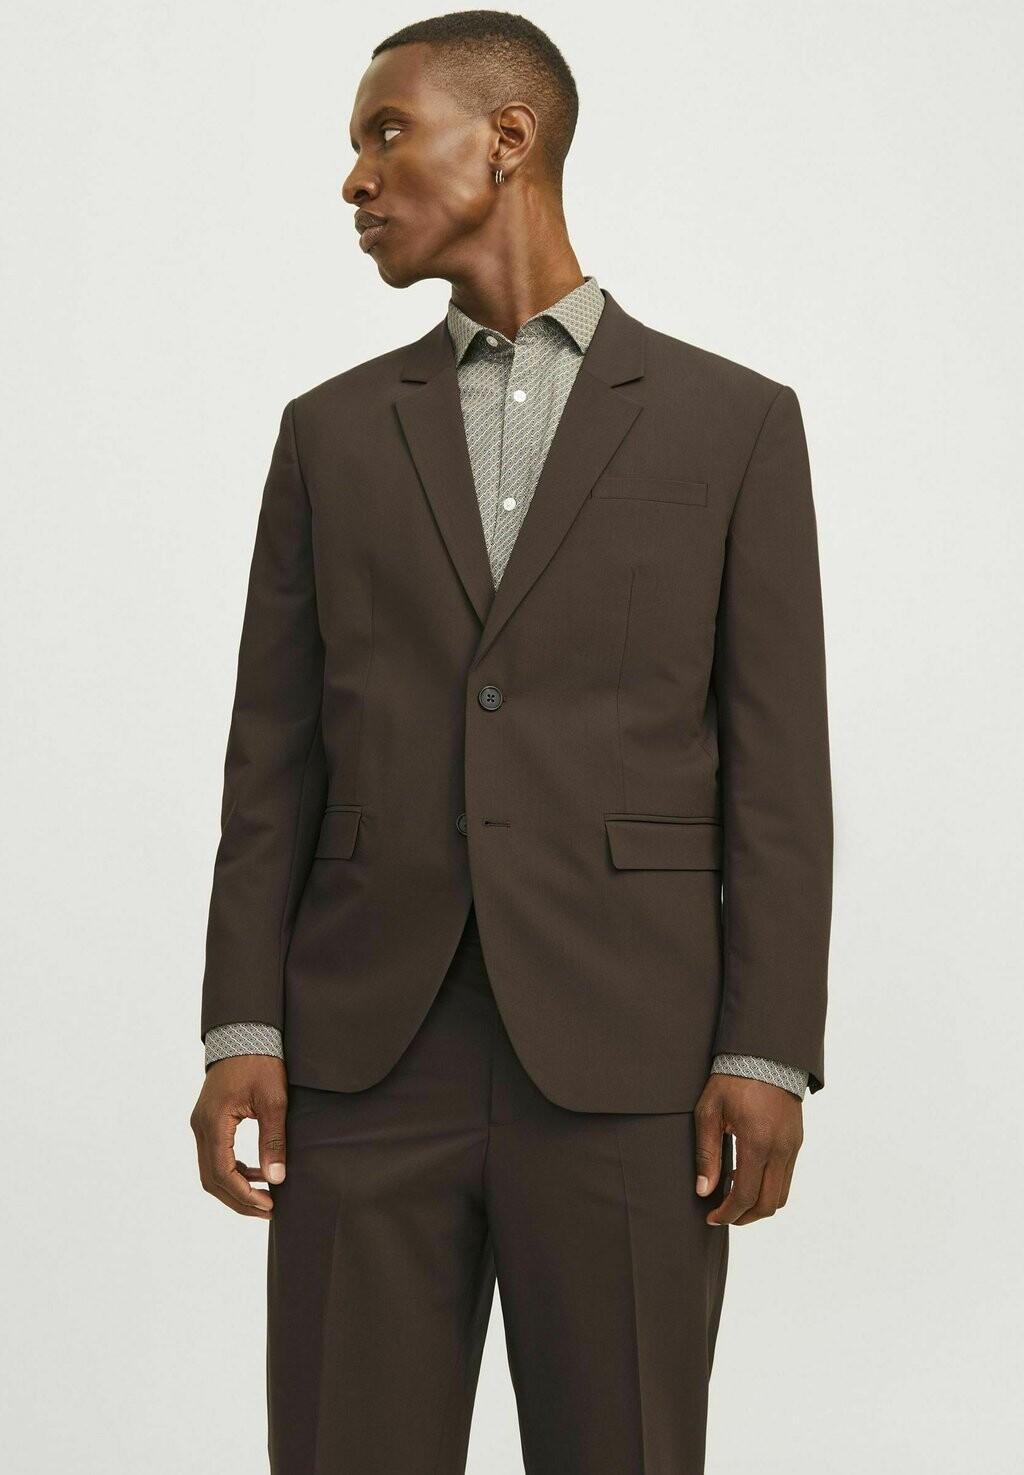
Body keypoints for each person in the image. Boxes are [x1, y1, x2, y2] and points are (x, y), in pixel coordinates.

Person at [190, 11, 833, 1473]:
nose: (356, 178)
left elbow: (779, 771)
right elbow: (270, 758)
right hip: (366, 1053)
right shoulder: (331, 434)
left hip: (635, 1060)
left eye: (386, 133)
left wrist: (769, 1050)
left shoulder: (733, 425)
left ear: (508, 140)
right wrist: (242, 1027)